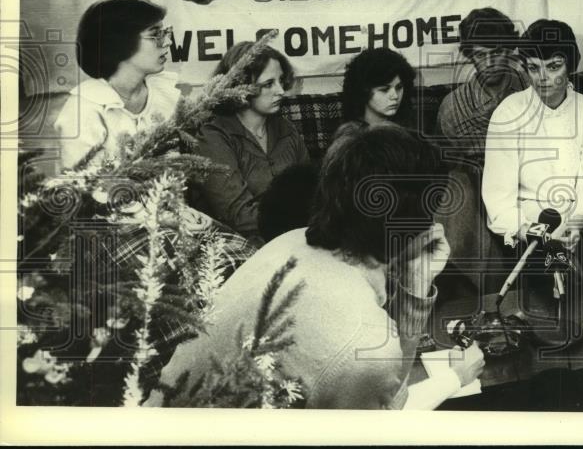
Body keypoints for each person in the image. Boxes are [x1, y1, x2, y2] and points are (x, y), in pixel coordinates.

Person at [154, 127, 485, 409]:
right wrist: (453, 378)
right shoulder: (365, 343)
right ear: (418, 223)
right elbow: (386, 421)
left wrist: (416, 280)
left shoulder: (289, 241)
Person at [481, 19, 583, 247]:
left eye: (553, 66)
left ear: (570, 65)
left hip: (578, 220)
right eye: (533, 68)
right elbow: (498, 199)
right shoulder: (508, 112)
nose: (542, 78)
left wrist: (575, 225)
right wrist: (538, 233)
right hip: (527, 226)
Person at [193, 42, 309, 246]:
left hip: (297, 238)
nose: (281, 91)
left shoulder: (286, 129)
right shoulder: (213, 136)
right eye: (268, 84)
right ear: (242, 86)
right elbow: (238, 215)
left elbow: (312, 189)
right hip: (241, 246)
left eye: (281, 81)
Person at [54, 0, 179, 170]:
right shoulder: (84, 109)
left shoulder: (165, 93)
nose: (168, 42)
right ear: (120, 41)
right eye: (156, 34)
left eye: (165, 32)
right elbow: (79, 186)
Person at [436, 7, 526, 168]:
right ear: (470, 55)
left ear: (509, 50)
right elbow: (447, 168)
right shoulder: (452, 107)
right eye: (480, 55)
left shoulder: (534, 87)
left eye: (497, 53)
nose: (489, 64)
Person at [323, 48, 416, 162]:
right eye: (384, 89)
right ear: (363, 91)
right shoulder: (350, 142)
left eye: (399, 87)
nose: (395, 96)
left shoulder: (408, 126)